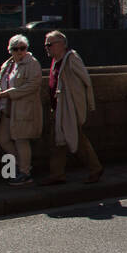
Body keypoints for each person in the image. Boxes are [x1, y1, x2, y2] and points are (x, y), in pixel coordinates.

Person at [39, 32, 102, 186]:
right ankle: (57, 174)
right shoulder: (57, 60)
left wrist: (83, 105)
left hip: (69, 108)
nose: (47, 48)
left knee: (77, 140)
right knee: (57, 141)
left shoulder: (71, 58)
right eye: (46, 45)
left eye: (50, 44)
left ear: (62, 44)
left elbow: (85, 81)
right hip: (59, 107)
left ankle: (95, 169)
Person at [0, 34, 42, 187]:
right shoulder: (8, 64)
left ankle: (25, 173)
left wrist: (9, 93)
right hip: (6, 109)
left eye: (23, 48)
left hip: (22, 109)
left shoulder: (32, 64)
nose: (20, 51)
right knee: (3, 139)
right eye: (16, 49)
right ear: (10, 50)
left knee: (21, 139)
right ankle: (20, 167)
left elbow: (33, 85)